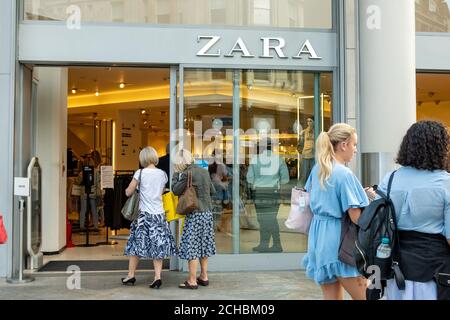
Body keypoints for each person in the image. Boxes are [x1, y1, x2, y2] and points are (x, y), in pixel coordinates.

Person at [377, 121, 450, 300]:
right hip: (434, 272)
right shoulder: (446, 182)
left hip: (395, 268)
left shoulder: (390, 179)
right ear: (440, 148)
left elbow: (380, 221)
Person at [303, 123, 369, 300]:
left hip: (319, 240)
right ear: (343, 145)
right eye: (354, 144)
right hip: (340, 242)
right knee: (367, 297)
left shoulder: (318, 169)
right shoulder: (345, 174)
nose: (355, 150)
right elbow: (356, 218)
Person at [121, 146, 177, 289]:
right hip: (159, 215)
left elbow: (128, 192)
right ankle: (157, 277)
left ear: (142, 158)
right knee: (157, 246)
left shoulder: (140, 173)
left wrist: (131, 190)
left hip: (144, 216)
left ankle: (131, 275)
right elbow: (162, 191)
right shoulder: (162, 174)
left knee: (136, 245)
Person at [172, 149, 216, 289]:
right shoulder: (204, 171)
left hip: (195, 214)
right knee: (203, 245)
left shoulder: (187, 173)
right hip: (207, 213)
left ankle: (192, 280)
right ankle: (204, 276)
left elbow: (175, 190)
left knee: (193, 247)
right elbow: (213, 190)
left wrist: (175, 174)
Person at [246, 140, 289, 253]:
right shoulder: (279, 159)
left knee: (262, 219)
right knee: (271, 219)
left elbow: (249, 178)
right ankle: (274, 244)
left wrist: (256, 183)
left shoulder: (255, 159)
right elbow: (285, 179)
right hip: (273, 191)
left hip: (259, 191)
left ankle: (267, 244)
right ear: (272, 147)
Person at [76, 154, 101, 233]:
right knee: (94, 209)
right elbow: (97, 183)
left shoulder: (82, 172)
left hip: (84, 192)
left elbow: (78, 181)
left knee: (83, 209)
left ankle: (82, 226)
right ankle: (95, 226)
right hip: (93, 193)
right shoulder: (96, 172)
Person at [298, 117, 315, 187]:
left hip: (314, 156)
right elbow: (299, 145)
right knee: (303, 175)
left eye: (310, 121)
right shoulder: (303, 132)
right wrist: (302, 152)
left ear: (314, 122)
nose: (309, 123)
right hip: (305, 155)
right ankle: (300, 190)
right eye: (308, 121)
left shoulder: (317, 131)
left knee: (314, 174)